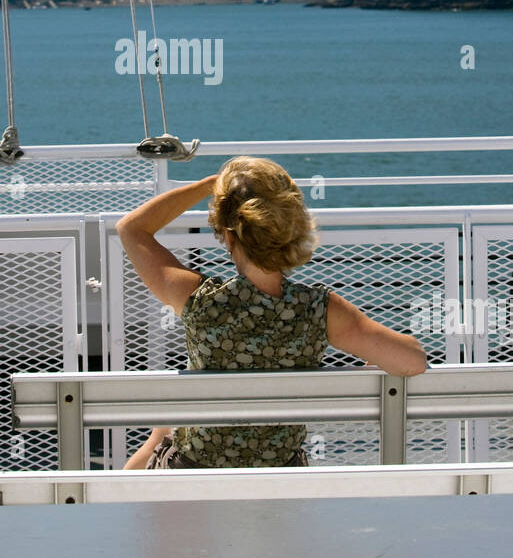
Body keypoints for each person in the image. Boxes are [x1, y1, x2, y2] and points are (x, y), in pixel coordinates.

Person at [115, 156, 427, 469]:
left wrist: (209, 185)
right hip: (280, 476)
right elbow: (413, 360)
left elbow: (131, 228)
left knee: (164, 430)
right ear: (292, 229)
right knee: (164, 428)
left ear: (229, 233)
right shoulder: (320, 310)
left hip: (196, 476)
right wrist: (378, 351)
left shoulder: (198, 299)